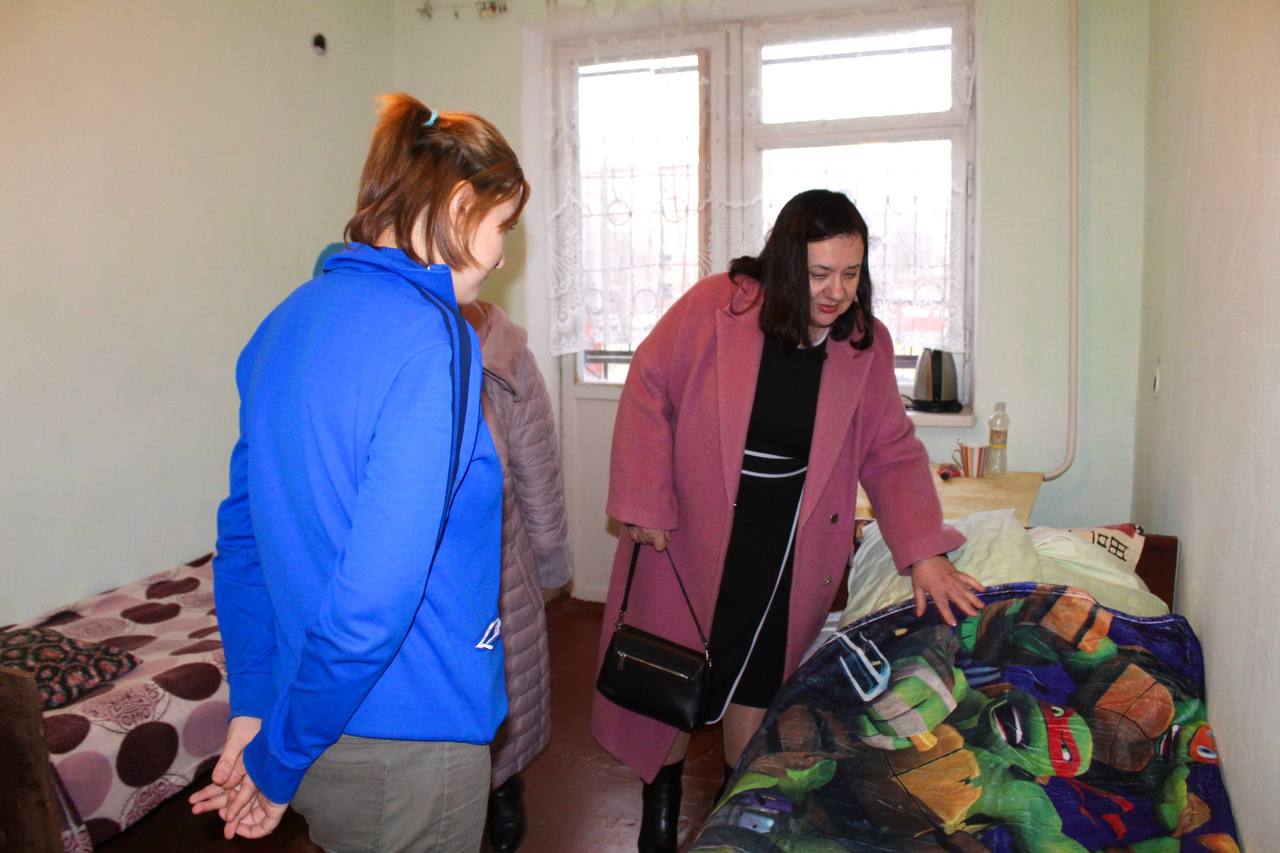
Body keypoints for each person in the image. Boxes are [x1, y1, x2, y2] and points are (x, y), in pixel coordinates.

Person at [590, 189, 986, 852]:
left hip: (786, 552)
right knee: (668, 673)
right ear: (783, 263)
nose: (837, 291)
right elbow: (648, 386)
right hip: (691, 532)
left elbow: (890, 451)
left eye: (851, 273)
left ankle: (736, 810)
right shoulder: (718, 306)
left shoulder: (864, 344)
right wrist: (645, 498)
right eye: (820, 273)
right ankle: (660, 809)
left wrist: (924, 551)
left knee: (758, 672)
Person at [190, 92, 529, 852]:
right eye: (503, 226)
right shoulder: (434, 338)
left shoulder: (285, 321)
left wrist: (257, 708)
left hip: (308, 721)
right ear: (460, 205)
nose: (503, 255)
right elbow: (372, 600)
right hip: (406, 743)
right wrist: (277, 755)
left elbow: (242, 542)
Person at [460, 300, 573, 852]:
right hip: (415, 581)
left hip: (499, 568)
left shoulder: (505, 355)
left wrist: (550, 566)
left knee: (500, 695)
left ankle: (503, 791)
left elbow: (537, 473)